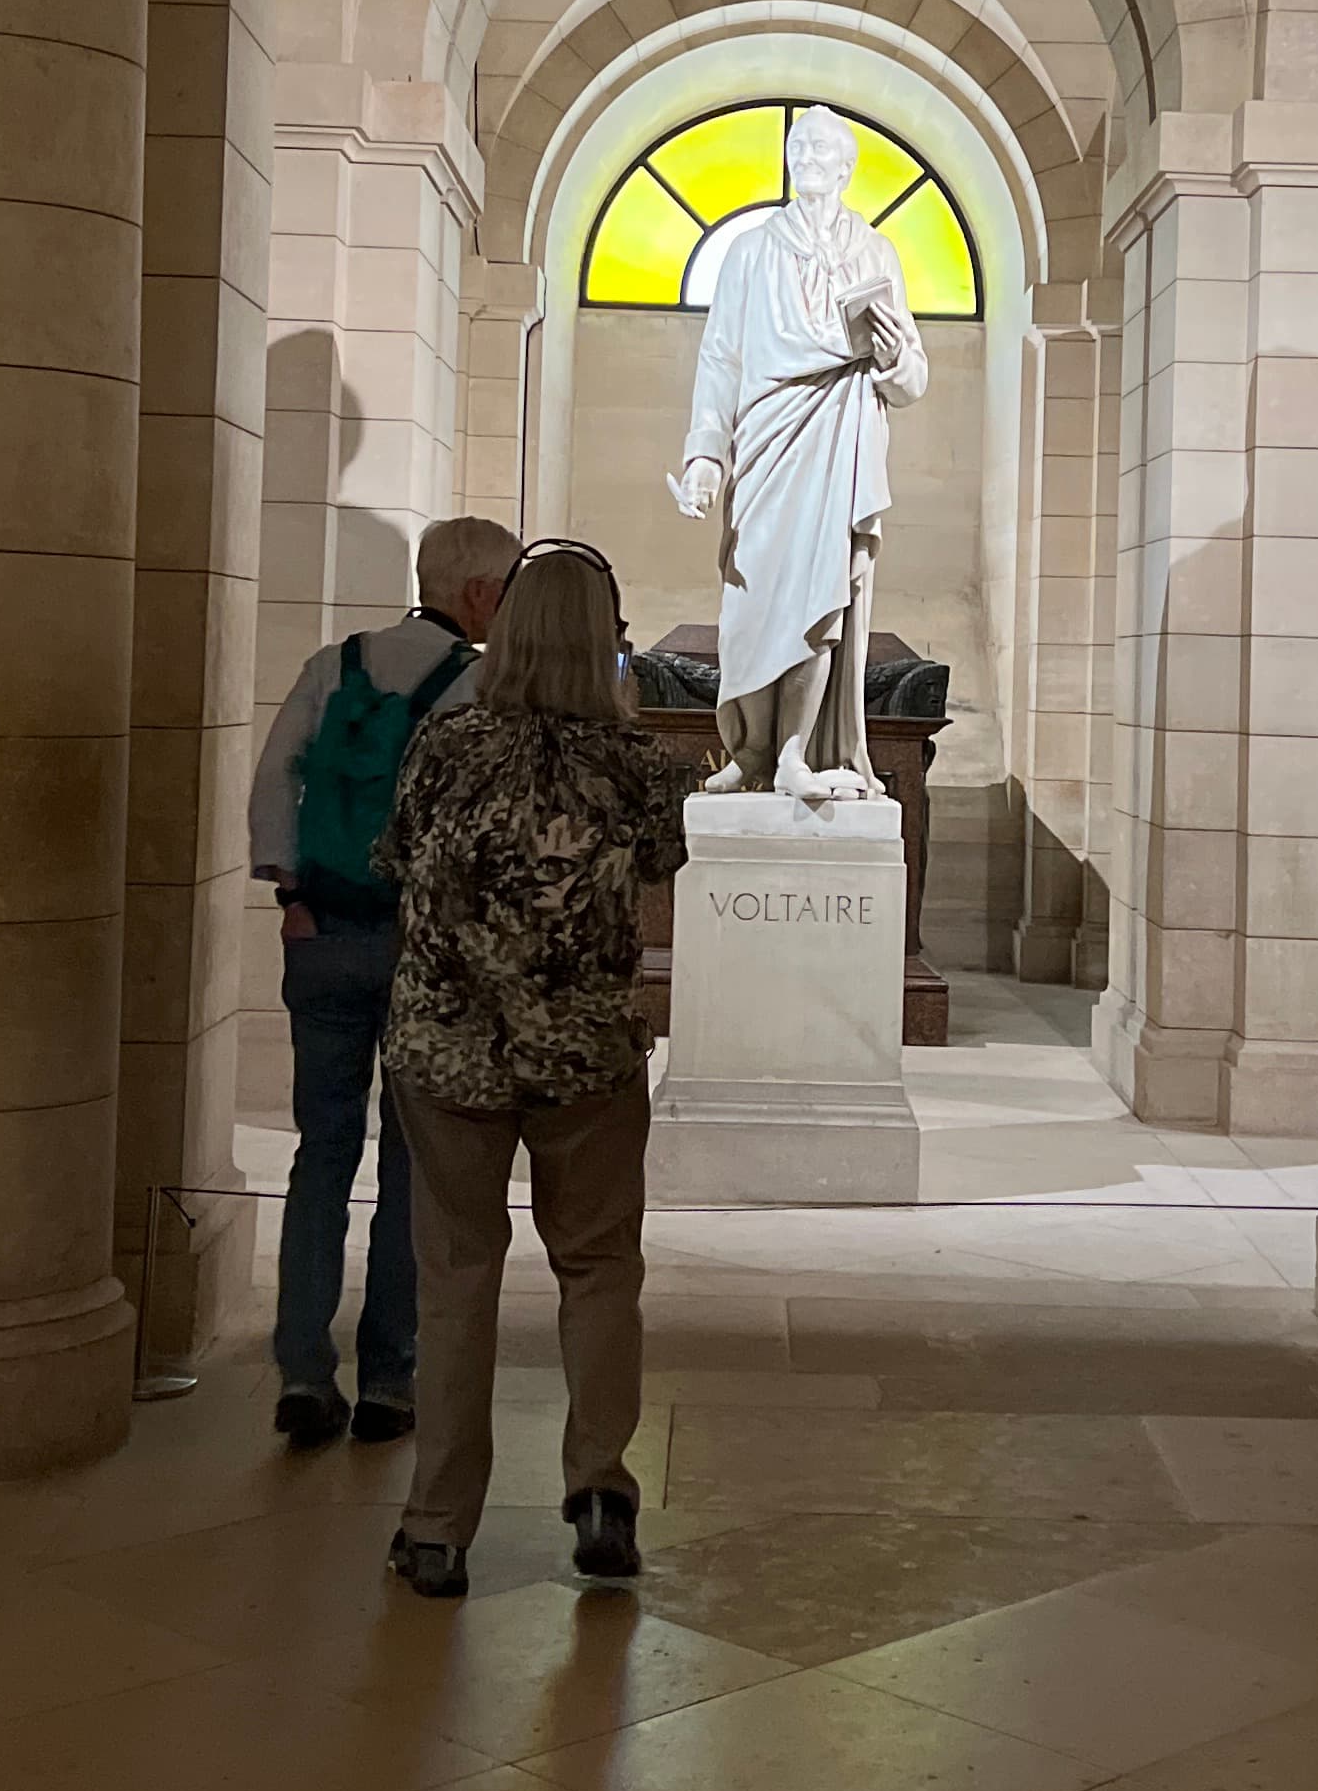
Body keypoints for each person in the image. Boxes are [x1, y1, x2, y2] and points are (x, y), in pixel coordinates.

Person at [373, 540, 689, 1599]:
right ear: (609, 638)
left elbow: (398, 860)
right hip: (586, 1052)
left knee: (457, 1277)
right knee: (598, 1271)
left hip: (448, 1048)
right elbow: (654, 865)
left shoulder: (445, 744)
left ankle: (436, 1528)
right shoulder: (639, 766)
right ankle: (600, 1487)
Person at [247, 512, 521, 1448]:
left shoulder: (337, 664)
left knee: (319, 1155)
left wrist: (293, 898)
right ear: (480, 593)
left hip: (322, 935)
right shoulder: (485, 683)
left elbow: (274, 779)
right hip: (425, 955)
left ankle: (300, 1370)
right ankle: (391, 1380)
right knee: (414, 1167)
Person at [669, 101, 927, 797]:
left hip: (838, 437)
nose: (810, 161)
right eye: (801, 150)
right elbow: (720, 357)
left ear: (846, 168)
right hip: (764, 441)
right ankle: (749, 755)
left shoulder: (874, 253)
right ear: (789, 161)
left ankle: (793, 757)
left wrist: (897, 359)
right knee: (752, 604)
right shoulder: (751, 252)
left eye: (824, 152)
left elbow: (911, 380)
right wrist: (704, 456)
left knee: (821, 601)